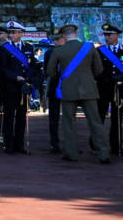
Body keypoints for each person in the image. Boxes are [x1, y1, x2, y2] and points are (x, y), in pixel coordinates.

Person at [45, 24, 110, 164]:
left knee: (69, 122)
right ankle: (104, 153)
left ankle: (71, 153)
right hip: (89, 89)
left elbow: (50, 71)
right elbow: (99, 69)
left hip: (68, 90)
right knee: (95, 122)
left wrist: (63, 77)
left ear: (63, 36)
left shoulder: (59, 51)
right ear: (76, 34)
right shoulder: (90, 48)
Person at [0, 20, 34, 154]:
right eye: (10, 32)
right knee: (9, 116)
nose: (11, 35)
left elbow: (32, 65)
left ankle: (19, 144)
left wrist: (28, 79)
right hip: (10, 86)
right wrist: (16, 77)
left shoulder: (28, 47)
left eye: (14, 32)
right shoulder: (4, 48)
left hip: (23, 87)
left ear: (21, 33)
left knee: (22, 117)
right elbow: (3, 68)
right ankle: (8, 144)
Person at [95, 23, 123, 157]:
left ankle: (116, 147)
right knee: (100, 117)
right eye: (105, 35)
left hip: (120, 89)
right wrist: (106, 78)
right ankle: (96, 144)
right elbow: (95, 70)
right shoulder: (100, 51)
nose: (107, 37)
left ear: (117, 35)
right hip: (104, 88)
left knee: (117, 119)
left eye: (110, 35)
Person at [43, 29, 66, 153]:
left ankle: (70, 143)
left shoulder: (70, 51)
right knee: (54, 117)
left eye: (59, 39)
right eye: (55, 39)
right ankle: (54, 143)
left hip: (68, 86)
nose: (57, 42)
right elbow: (47, 71)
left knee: (69, 117)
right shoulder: (49, 53)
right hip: (55, 87)